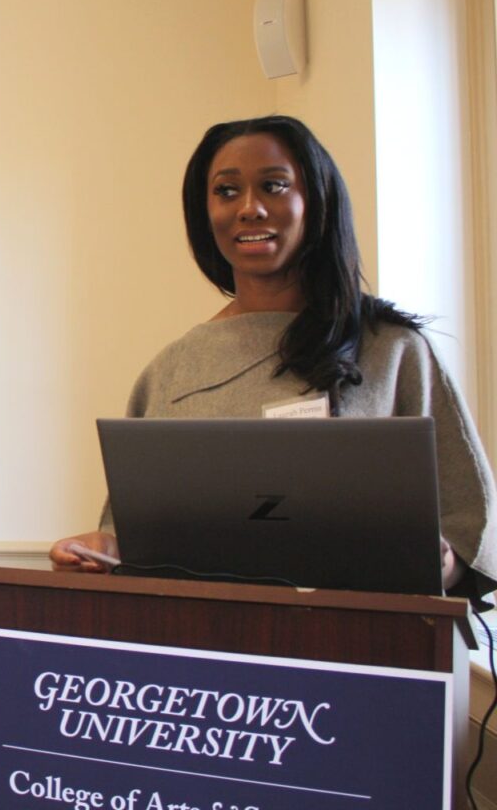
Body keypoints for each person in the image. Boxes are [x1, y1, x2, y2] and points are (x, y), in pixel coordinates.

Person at [50, 114, 497, 599]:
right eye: (225, 191)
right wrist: (95, 552)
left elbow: (471, 530)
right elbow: (132, 543)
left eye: (274, 186)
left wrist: (443, 562)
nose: (250, 208)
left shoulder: (393, 350)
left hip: (360, 652)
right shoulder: (169, 370)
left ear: (316, 202)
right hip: (204, 650)